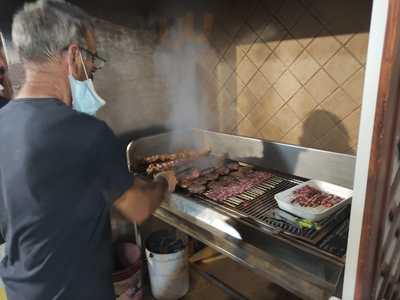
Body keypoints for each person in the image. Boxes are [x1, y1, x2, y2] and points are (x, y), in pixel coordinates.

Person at [0, 1, 177, 299]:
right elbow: (138, 208)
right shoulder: (84, 132)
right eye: (92, 57)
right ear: (72, 55)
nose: (93, 68)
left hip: (20, 289)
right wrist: (163, 183)